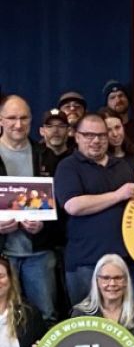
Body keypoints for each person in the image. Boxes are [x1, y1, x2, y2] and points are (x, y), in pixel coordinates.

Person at [54, 112, 134, 320]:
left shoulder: (122, 166)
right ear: (77, 136)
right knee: (89, 328)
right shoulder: (68, 166)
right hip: (86, 263)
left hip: (131, 261)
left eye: (101, 135)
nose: (96, 140)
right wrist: (118, 195)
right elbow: (73, 206)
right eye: (89, 135)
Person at [0, 95, 61, 322]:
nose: (18, 124)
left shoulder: (46, 156)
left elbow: (61, 207)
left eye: (24, 118)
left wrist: (43, 224)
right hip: (2, 254)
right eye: (12, 118)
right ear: (0, 120)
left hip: (39, 253)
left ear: (31, 119)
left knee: (46, 315)